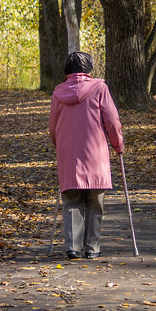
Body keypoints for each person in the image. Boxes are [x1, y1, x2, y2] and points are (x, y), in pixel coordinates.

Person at [48, 51, 125, 260]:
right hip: (95, 155)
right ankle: (92, 248)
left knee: (71, 201)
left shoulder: (57, 93)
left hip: (69, 156)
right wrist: (118, 145)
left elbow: (53, 127)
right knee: (95, 202)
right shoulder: (100, 88)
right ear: (88, 69)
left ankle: (73, 247)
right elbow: (112, 120)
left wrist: (61, 147)